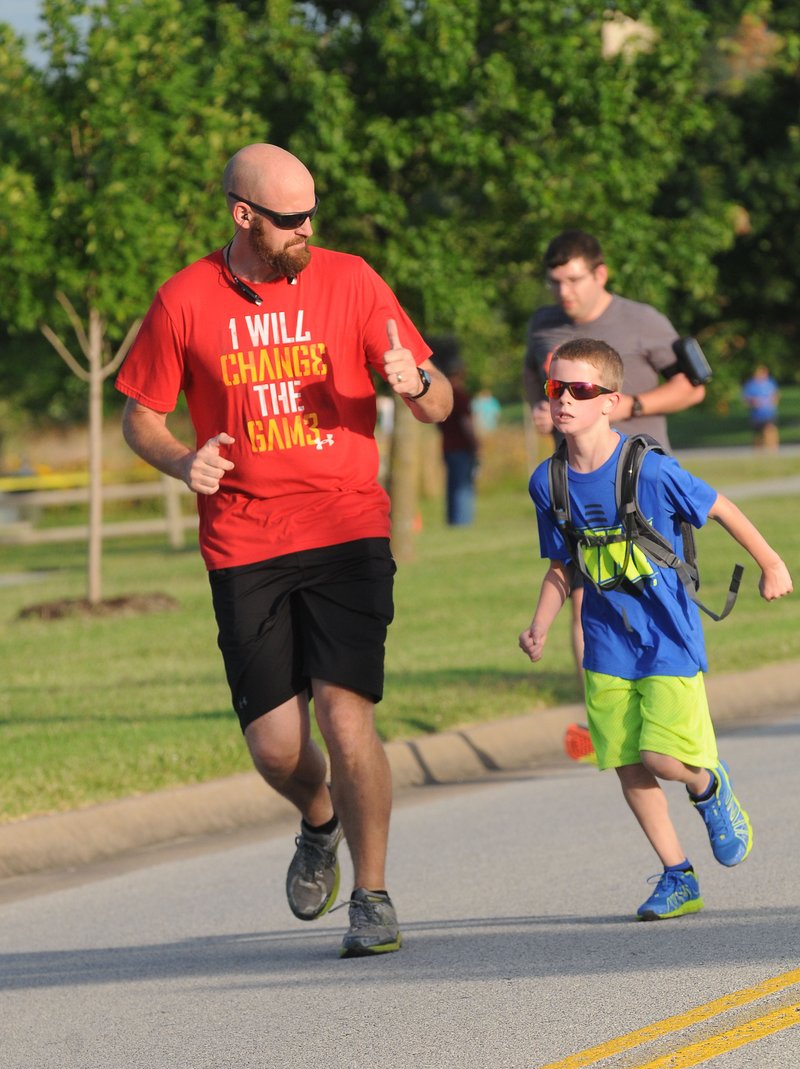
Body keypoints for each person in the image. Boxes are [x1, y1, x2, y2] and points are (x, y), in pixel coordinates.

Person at [115, 143, 453, 959]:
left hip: (347, 529)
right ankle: (318, 818)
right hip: (243, 541)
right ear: (243, 214)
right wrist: (177, 460)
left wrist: (414, 386)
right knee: (274, 745)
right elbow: (141, 414)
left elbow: (439, 402)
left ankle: (372, 897)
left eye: (312, 213)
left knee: (345, 719)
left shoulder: (354, 280)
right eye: (290, 218)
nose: (308, 229)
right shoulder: (186, 299)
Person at [519, 338, 792, 920]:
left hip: (668, 637)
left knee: (664, 757)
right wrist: (540, 624)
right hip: (605, 642)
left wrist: (771, 562)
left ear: (610, 401)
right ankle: (678, 876)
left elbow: (720, 507)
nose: (563, 399)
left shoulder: (649, 469)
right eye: (554, 388)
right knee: (628, 762)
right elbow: (561, 566)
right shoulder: (549, 482)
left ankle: (709, 786)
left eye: (579, 390)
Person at [523, 229, 707, 673]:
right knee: (585, 591)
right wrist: (540, 409)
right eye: (555, 283)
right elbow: (534, 380)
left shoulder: (644, 321)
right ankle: (599, 703)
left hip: (639, 482)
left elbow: (693, 388)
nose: (563, 292)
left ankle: (667, 682)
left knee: (649, 589)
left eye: (573, 280)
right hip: (577, 482)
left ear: (600, 274)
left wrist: (635, 405)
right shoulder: (542, 325)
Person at [432, 338, 479, 526]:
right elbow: (467, 422)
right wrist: (476, 443)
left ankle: (452, 520)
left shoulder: (441, 395)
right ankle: (462, 522)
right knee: (463, 486)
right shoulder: (459, 395)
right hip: (461, 446)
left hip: (446, 446)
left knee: (452, 485)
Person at [742, 365, 780, 451]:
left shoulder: (770, 383)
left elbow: (776, 395)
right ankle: (758, 452)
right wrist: (753, 403)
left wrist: (773, 403)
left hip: (769, 412)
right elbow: (746, 399)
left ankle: (773, 449)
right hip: (757, 414)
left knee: (770, 429)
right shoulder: (751, 384)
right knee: (758, 435)